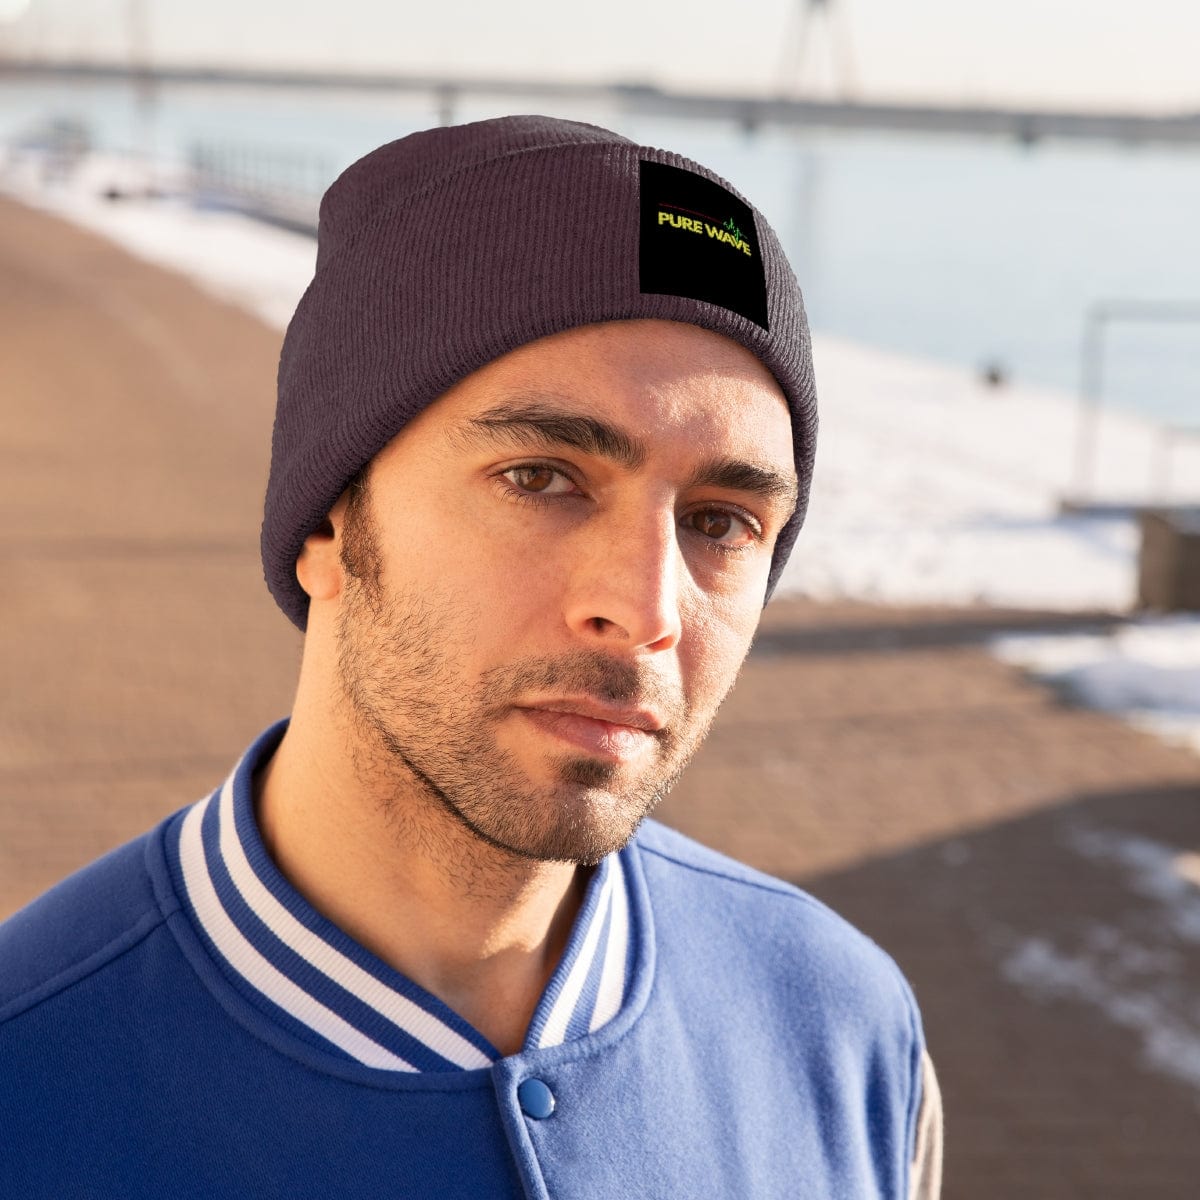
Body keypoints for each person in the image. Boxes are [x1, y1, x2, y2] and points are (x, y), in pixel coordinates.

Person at [0, 114, 941, 1198]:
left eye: (721, 523)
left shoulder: (844, 1028)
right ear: (327, 523)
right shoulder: (29, 1076)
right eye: (542, 479)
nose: (645, 611)